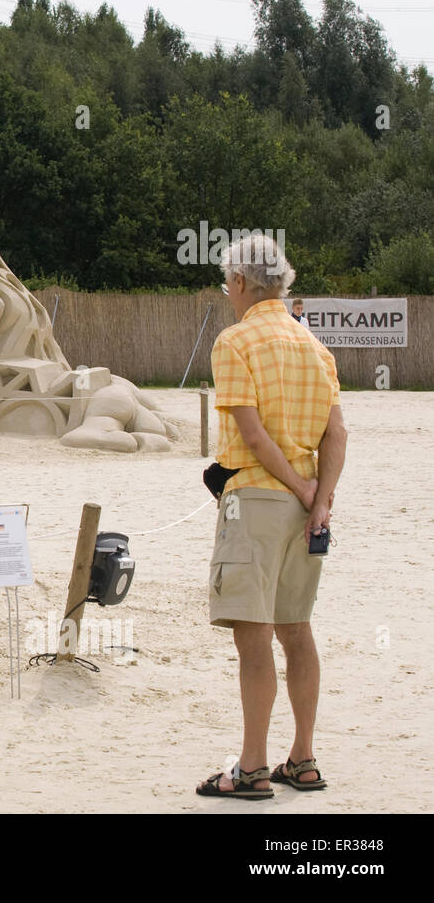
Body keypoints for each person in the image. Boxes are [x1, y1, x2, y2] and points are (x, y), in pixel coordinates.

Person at [196, 234, 347, 799]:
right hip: (308, 511)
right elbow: (337, 433)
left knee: (253, 639)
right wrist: (320, 498)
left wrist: (298, 485)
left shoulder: (235, 341)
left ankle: (251, 768)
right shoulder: (315, 348)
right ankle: (302, 759)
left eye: (226, 284)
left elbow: (252, 435)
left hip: (255, 500)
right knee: (297, 632)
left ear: (239, 283)